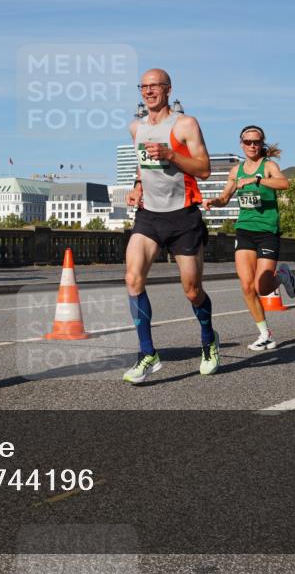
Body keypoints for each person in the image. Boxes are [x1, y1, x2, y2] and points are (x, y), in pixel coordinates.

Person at [122, 68, 218, 383]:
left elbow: (204, 169)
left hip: (183, 216)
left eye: (155, 86)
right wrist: (138, 186)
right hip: (149, 215)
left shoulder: (185, 124)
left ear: (168, 89)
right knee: (133, 278)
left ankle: (208, 339)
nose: (149, 91)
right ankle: (147, 353)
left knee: (192, 291)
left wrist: (170, 154)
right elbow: (143, 164)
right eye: (144, 87)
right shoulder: (136, 127)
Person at [206, 125, 295, 351]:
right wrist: (213, 202)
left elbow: (284, 184)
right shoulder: (236, 171)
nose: (252, 146)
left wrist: (257, 180)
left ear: (261, 144)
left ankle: (283, 275)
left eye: (256, 142)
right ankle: (265, 334)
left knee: (262, 288)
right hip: (245, 230)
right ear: (241, 144)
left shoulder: (268, 166)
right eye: (248, 142)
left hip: (267, 231)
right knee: (247, 287)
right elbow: (225, 198)